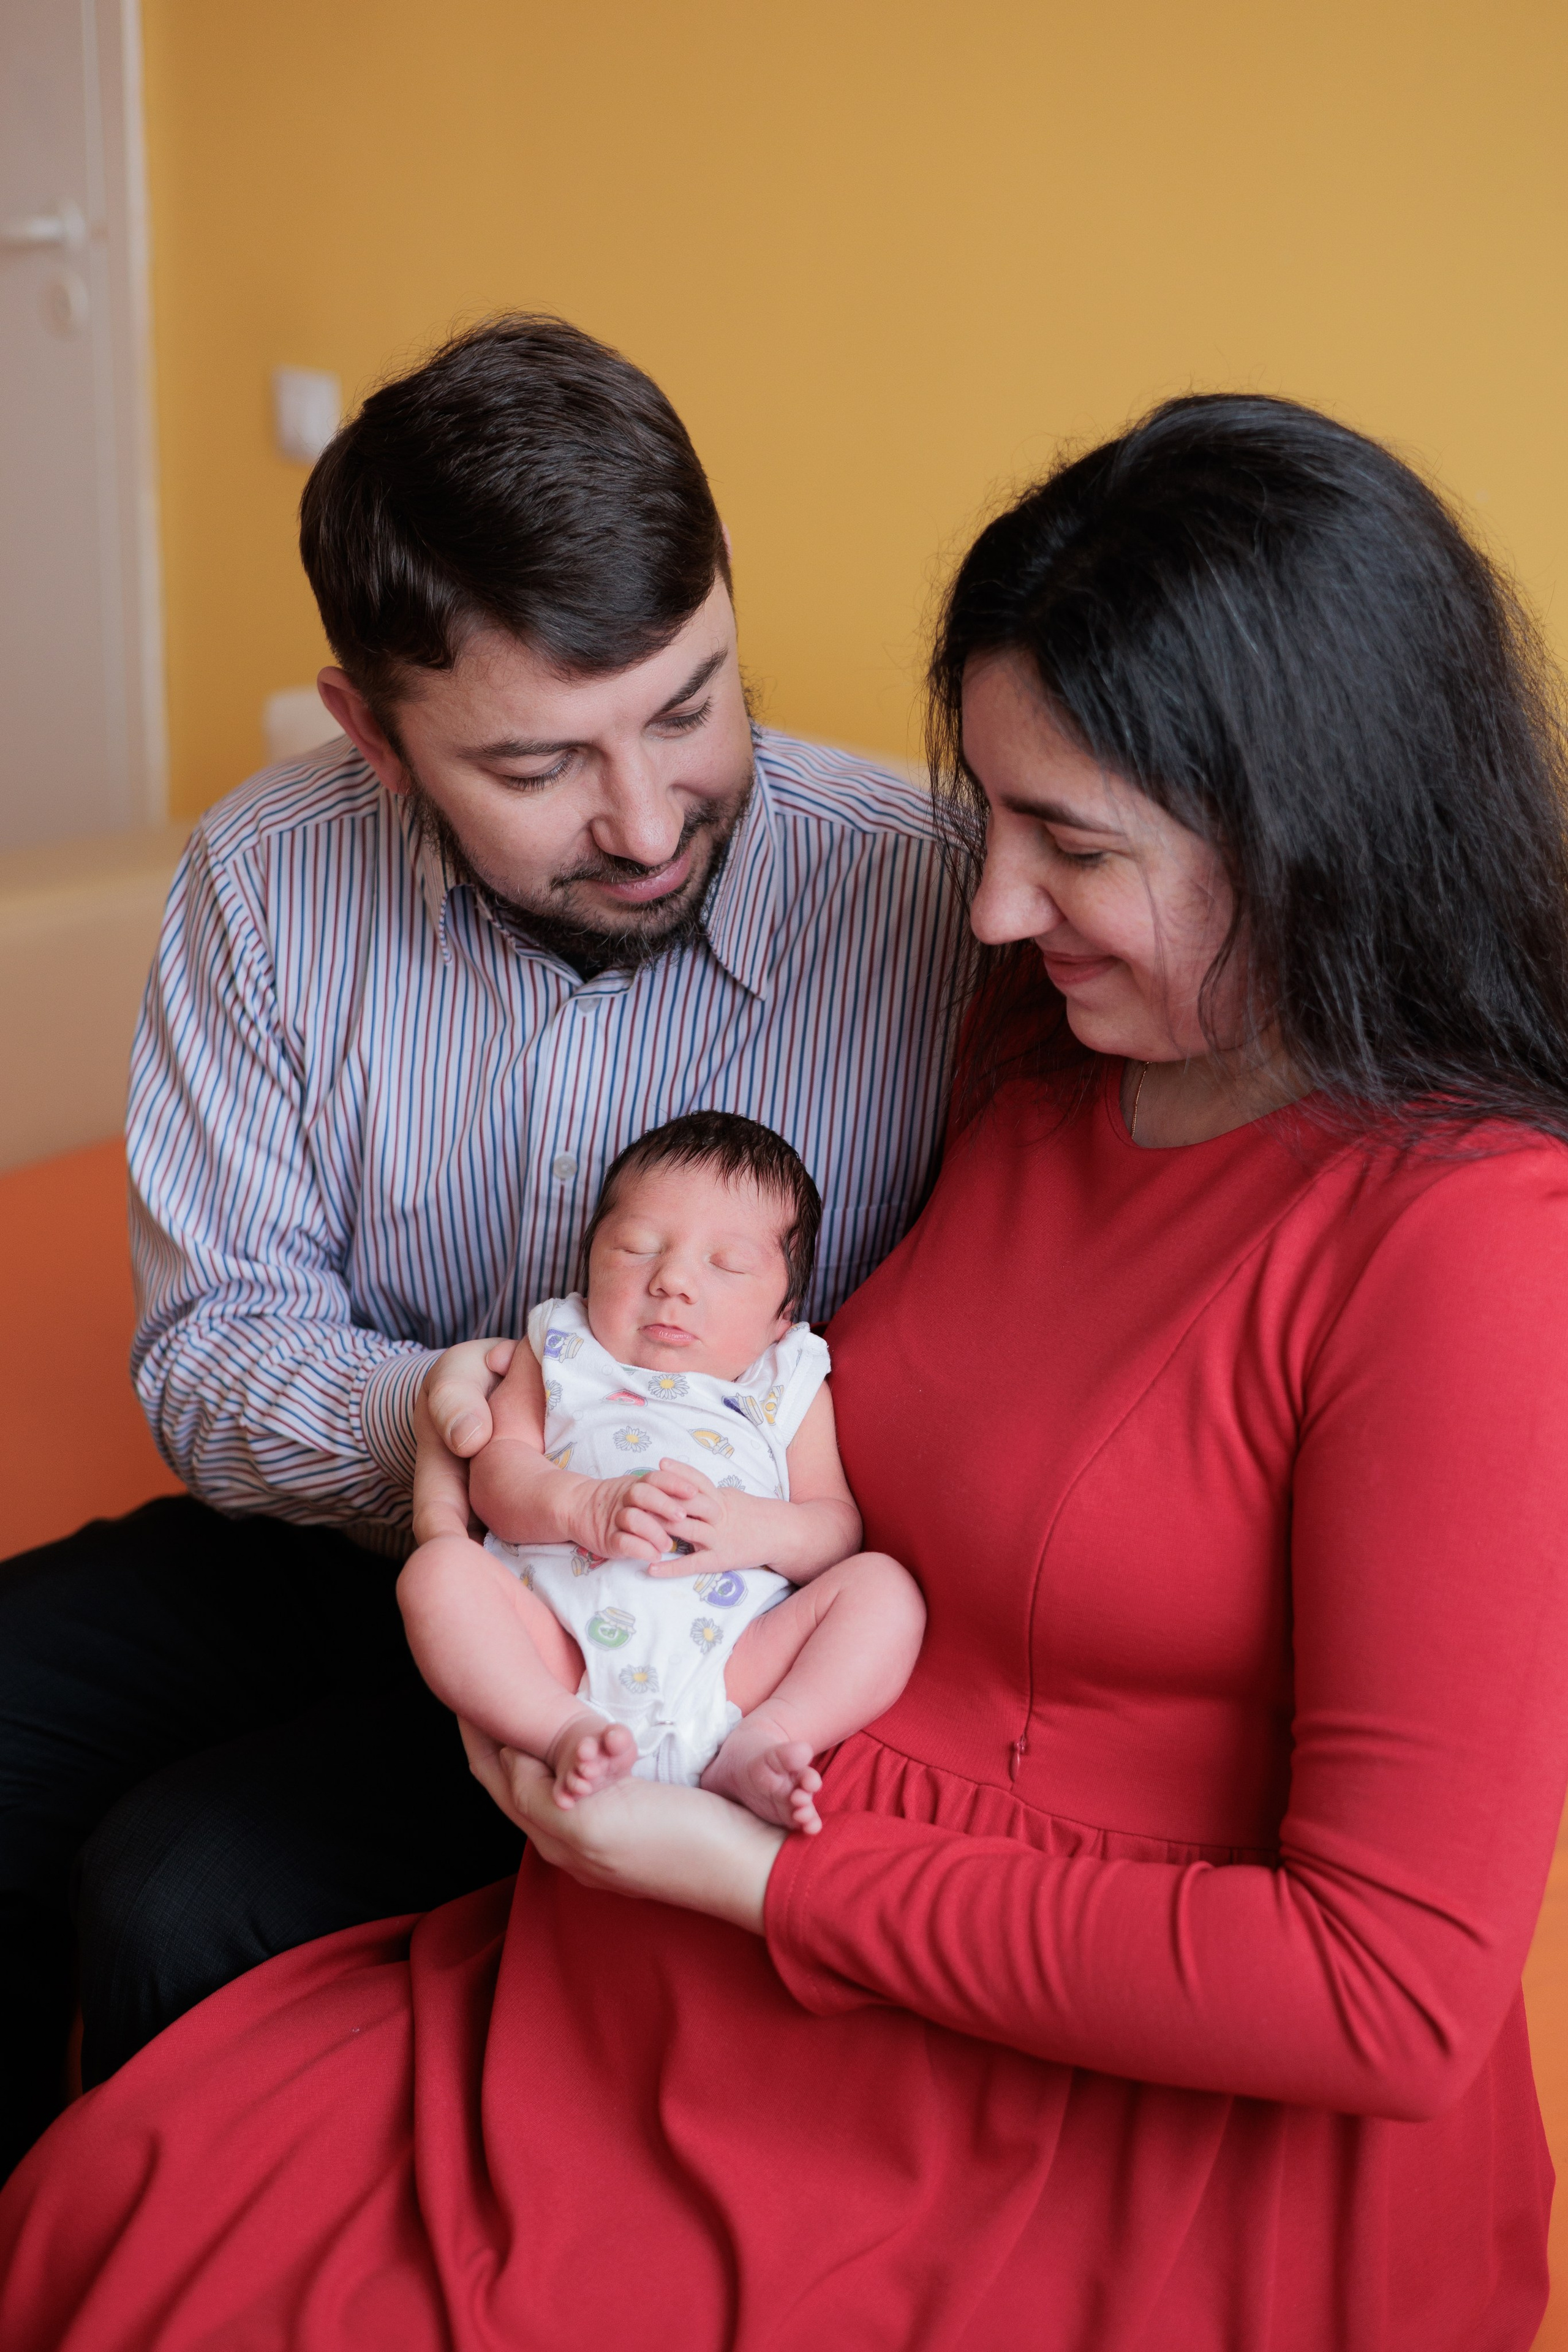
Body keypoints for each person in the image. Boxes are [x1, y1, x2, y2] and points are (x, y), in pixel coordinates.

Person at [4, 390, 1568, 2352]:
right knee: (122, 2193)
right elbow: (232, 1336)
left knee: (185, 1979)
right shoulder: (1054, 1049)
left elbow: (1386, 1986)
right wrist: (466, 1453)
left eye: (1064, 844)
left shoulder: (1458, 1233)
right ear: (375, 736)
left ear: (1313, 835)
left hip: (946, 2003)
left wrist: (742, 1873)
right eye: (986, 818)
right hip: (646, 1819)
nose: (985, 901)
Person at [0, 315, 961, 2175]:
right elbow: (211, 1349)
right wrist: (439, 1421)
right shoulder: (264, 878)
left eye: (688, 703)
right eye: (537, 764)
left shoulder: (920, 896)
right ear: (370, 728)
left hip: (684, 1632)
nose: (644, 814)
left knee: (176, 1886)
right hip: (358, 1529)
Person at [400, 1110, 925, 1831]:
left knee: (884, 1592)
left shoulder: (786, 1381)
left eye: (727, 1265)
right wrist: (580, 1506)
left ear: (783, 1314)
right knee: (437, 1573)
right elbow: (496, 1478)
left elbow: (837, 1529)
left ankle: (766, 1739)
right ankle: (558, 1733)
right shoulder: (560, 1343)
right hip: (557, 1646)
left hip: (733, 1659)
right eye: (635, 1248)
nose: (673, 1280)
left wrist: (755, 1528)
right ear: (588, 1264)